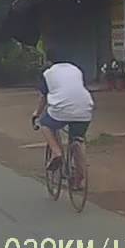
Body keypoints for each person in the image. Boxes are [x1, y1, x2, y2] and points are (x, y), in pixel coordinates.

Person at [31, 49, 94, 190]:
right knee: (78, 139)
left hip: (60, 110)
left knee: (45, 124)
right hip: (85, 108)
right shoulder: (76, 70)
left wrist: (36, 113)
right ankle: (79, 178)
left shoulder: (48, 73)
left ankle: (56, 152)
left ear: (49, 60)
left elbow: (43, 98)